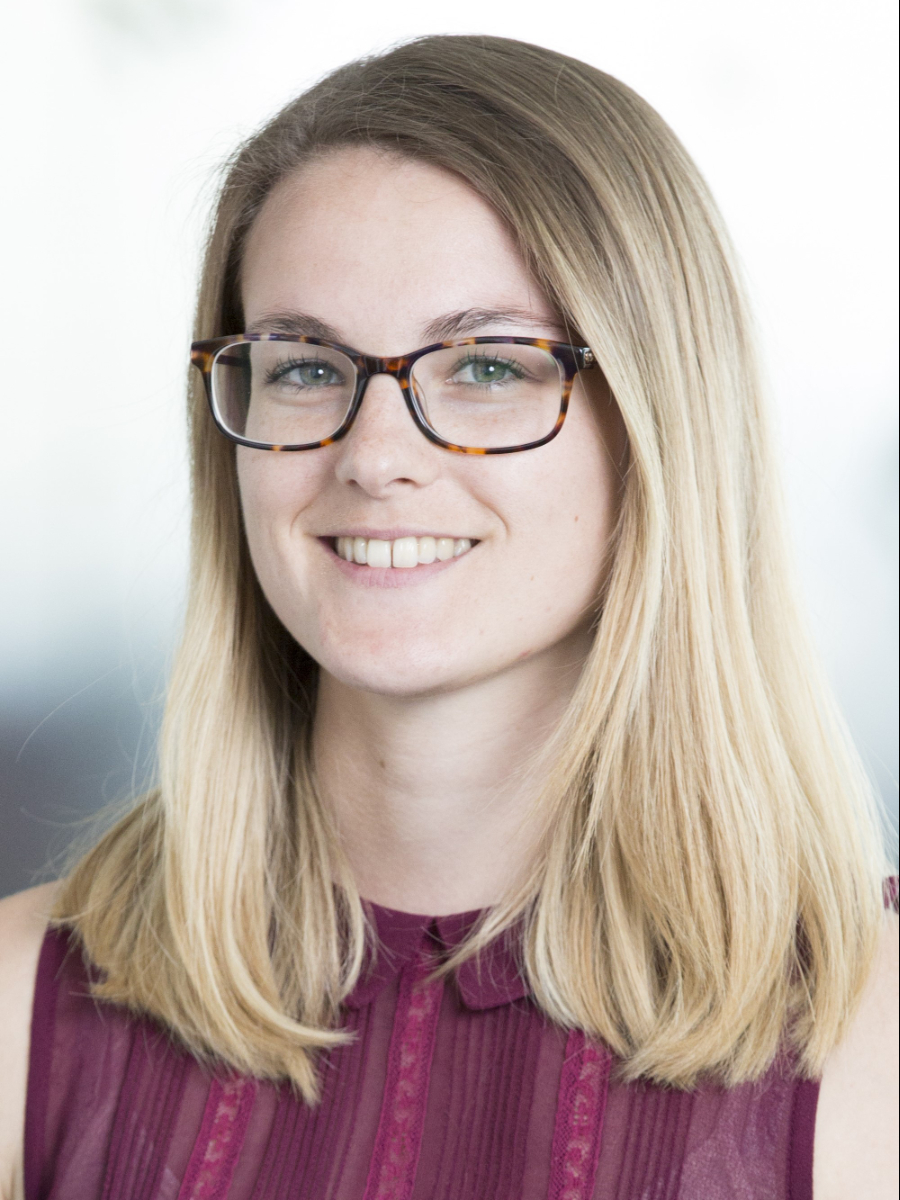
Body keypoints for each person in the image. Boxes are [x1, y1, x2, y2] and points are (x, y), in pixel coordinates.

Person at [0, 34, 896, 1200]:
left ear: (660, 422)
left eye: (486, 367)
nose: (375, 458)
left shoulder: (874, 1033)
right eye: (306, 366)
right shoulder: (21, 1009)